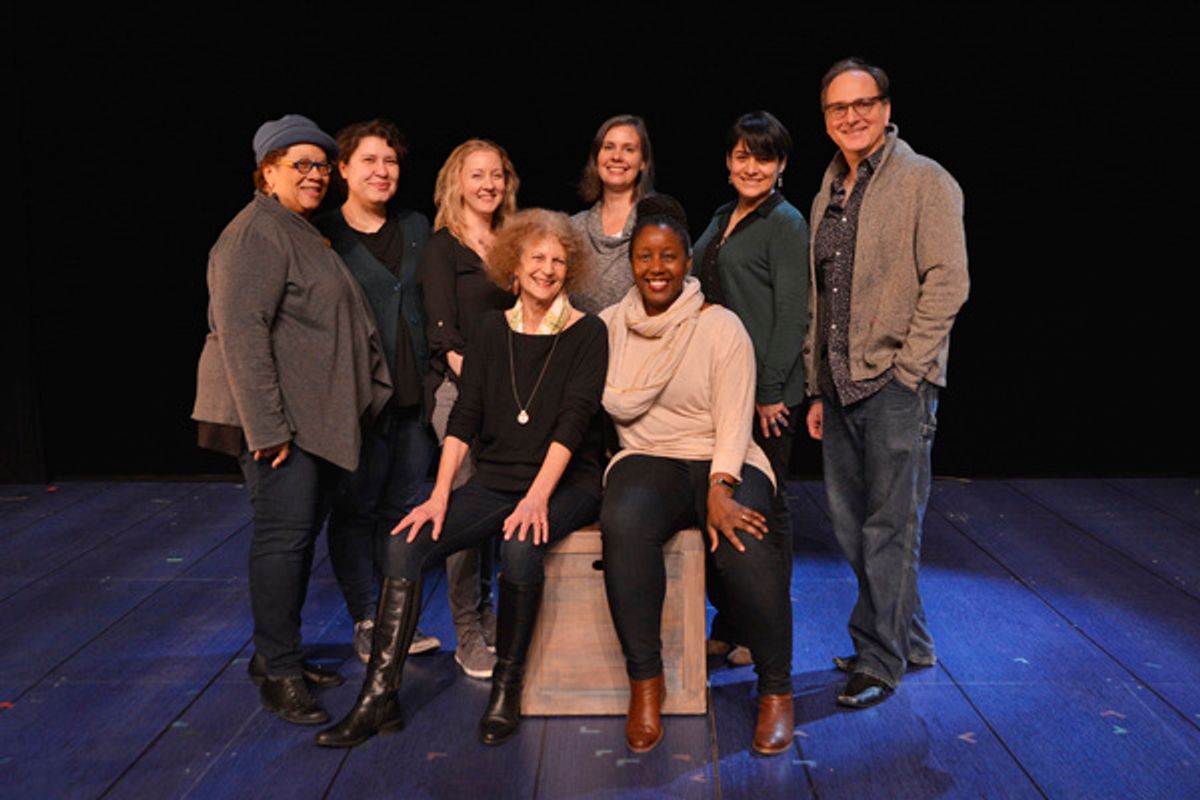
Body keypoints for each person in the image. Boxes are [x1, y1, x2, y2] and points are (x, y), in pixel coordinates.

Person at [316, 209, 607, 749]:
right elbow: (465, 417)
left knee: (521, 548)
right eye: (536, 258)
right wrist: (441, 496)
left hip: (565, 484)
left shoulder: (588, 332)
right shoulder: (491, 330)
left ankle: (506, 687)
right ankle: (379, 697)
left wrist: (538, 498)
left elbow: (575, 421)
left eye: (558, 261)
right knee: (405, 543)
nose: (547, 269)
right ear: (513, 266)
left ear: (571, 270)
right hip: (495, 479)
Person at [192, 114, 391, 725]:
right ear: (267, 171)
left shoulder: (296, 229)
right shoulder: (255, 234)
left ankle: (277, 654)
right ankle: (278, 674)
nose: (315, 175)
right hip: (279, 426)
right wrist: (269, 428)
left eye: (322, 166)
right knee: (282, 541)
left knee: (297, 541)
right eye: (299, 164)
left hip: (307, 419)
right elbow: (242, 336)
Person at [600, 195, 794, 757]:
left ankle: (776, 691)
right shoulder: (611, 326)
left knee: (746, 541)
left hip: (724, 455)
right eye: (644, 257)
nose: (655, 268)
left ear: (687, 261)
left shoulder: (721, 326)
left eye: (668, 256)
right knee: (623, 521)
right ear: (631, 263)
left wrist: (720, 487)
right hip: (649, 456)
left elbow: (736, 416)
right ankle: (646, 683)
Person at [803, 58, 969, 708]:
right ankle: (913, 640)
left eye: (863, 103)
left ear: (885, 106)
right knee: (852, 526)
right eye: (839, 108)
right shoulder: (827, 193)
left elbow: (949, 281)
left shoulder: (926, 180)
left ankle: (880, 659)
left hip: (897, 384)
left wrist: (909, 370)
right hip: (840, 385)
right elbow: (824, 300)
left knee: (889, 528)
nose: (852, 116)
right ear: (825, 119)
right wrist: (818, 386)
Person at [315, 119, 440, 664]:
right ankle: (366, 620)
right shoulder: (323, 236)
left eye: (389, 161)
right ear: (342, 169)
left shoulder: (417, 226)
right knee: (356, 510)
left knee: (402, 511)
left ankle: (397, 622)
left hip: (417, 401)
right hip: (358, 405)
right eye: (368, 161)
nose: (381, 171)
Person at [693, 110, 808, 666]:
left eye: (764, 157)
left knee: (767, 512)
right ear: (729, 161)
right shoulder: (722, 218)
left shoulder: (785, 223)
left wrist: (769, 392)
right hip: (721, 389)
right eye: (743, 155)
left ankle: (762, 631)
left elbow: (791, 314)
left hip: (768, 394)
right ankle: (733, 619)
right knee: (727, 508)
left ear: (781, 165)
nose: (752, 166)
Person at [418, 139, 521, 679]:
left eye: (497, 175)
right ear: (457, 181)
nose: (488, 184)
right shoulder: (442, 248)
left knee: (500, 508)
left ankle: (490, 612)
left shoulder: (512, 242)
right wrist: (483, 389)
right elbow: (444, 335)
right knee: (466, 511)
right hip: (461, 394)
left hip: (510, 394)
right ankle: (467, 630)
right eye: (477, 175)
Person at [569, 114, 655, 314]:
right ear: (597, 156)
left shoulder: (658, 223)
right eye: (609, 147)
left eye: (629, 149)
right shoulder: (573, 228)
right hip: (584, 343)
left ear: (643, 162)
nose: (616, 156)